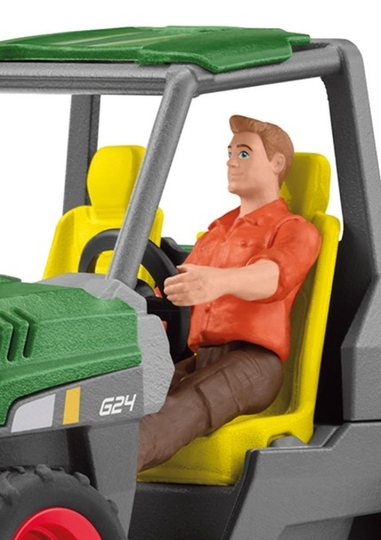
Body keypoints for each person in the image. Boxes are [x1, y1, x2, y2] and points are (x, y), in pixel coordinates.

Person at [136, 116, 322, 474]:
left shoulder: (295, 229)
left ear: (276, 163)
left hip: (255, 363)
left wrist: (220, 282)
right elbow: (176, 287)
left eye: (244, 153)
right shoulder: (216, 232)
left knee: (187, 404)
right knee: (136, 397)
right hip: (201, 357)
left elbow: (274, 276)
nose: (232, 162)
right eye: (230, 153)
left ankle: (99, 473)